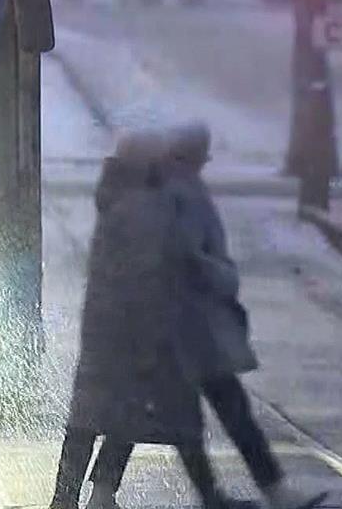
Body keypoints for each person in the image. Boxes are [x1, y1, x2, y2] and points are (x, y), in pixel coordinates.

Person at [85, 124, 326, 509]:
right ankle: (257, 492)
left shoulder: (159, 192)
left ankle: (106, 493)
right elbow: (186, 256)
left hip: (179, 325)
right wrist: (219, 275)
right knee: (208, 414)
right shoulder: (175, 195)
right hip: (186, 327)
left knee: (150, 412)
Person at [49, 131, 248, 509]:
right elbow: (155, 268)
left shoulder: (117, 197)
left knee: (99, 413)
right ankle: (91, 494)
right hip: (129, 327)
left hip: (106, 325)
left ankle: (76, 496)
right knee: (117, 412)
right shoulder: (141, 206)